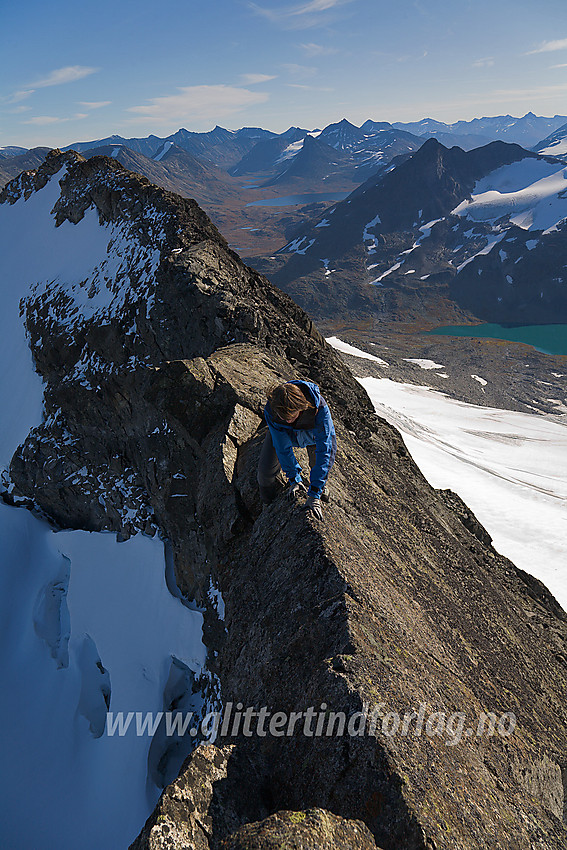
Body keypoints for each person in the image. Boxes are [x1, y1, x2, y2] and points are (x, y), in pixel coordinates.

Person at [257, 379, 336, 520]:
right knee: (265, 472)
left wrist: (314, 494)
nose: (288, 420)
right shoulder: (272, 410)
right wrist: (294, 478)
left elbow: (326, 450)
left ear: (302, 408)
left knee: (318, 462)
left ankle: (320, 486)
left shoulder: (320, 409)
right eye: (284, 417)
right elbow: (282, 447)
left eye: (291, 417)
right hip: (286, 434)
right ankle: (267, 503)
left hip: (313, 436)